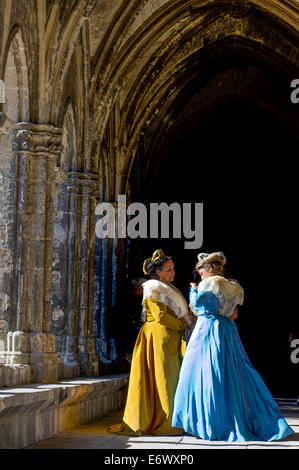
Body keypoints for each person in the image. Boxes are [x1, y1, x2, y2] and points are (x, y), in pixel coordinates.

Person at [172, 251, 294, 442]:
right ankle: (234, 419)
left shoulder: (209, 283)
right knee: (232, 374)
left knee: (206, 374)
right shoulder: (232, 285)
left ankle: (211, 424)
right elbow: (234, 314)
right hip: (227, 330)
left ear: (209, 269)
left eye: (201, 272)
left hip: (207, 330)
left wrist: (194, 290)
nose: (200, 276)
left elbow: (197, 306)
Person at [107, 249, 193, 435]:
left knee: (169, 378)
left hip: (168, 338)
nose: (173, 272)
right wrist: (181, 323)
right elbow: (160, 316)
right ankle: (165, 423)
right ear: (158, 272)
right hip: (158, 337)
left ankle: (171, 419)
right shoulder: (153, 287)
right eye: (168, 269)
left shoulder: (167, 287)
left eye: (173, 268)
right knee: (163, 379)